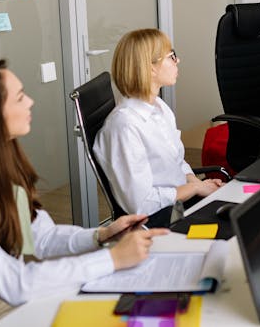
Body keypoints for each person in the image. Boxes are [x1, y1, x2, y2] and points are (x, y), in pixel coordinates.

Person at [0, 60, 167, 324]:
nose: (30, 102)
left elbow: (42, 238)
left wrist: (101, 236)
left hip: (8, 298)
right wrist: (112, 258)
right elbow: (14, 283)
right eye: (19, 98)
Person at [94, 28, 223, 216]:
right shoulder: (124, 126)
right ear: (151, 67)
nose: (177, 61)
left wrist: (199, 184)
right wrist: (195, 190)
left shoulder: (159, 107)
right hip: (160, 219)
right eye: (171, 56)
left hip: (179, 203)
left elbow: (177, 162)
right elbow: (141, 204)